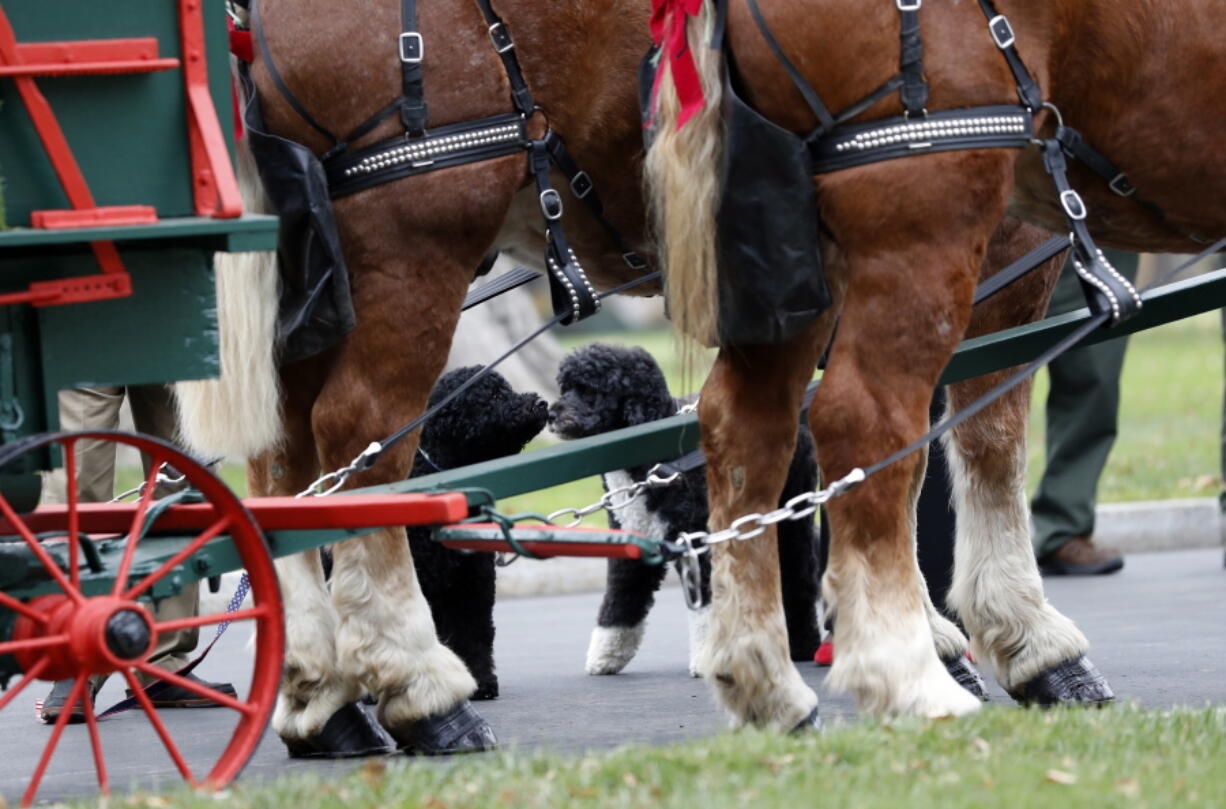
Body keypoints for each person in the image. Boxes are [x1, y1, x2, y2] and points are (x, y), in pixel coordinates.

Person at [39, 385, 237, 723]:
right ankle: (79, 651)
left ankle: (163, 660)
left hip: (173, 334)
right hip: (84, 333)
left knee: (183, 480)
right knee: (76, 480)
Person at [1030, 248, 1140, 575]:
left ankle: (1063, 527)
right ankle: (944, 534)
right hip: (1003, 213)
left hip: (1104, 215)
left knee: (1093, 375)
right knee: (981, 380)